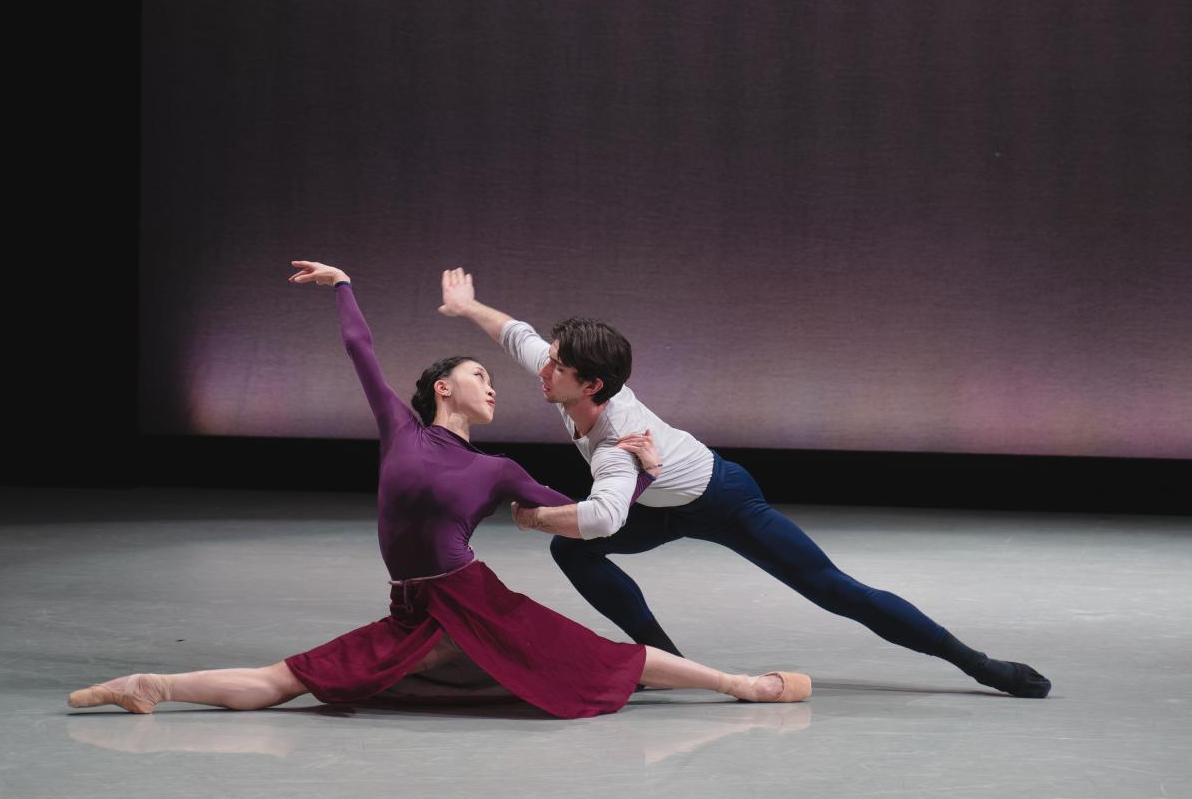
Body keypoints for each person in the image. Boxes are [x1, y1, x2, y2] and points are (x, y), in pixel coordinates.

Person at [67, 261, 810, 720]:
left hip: (476, 601)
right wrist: (344, 285)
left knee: (606, 659)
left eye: (493, 376)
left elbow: (591, 518)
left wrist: (638, 469)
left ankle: (746, 685)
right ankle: (151, 685)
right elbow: (361, 350)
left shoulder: (497, 471)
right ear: (439, 387)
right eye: (478, 375)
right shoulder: (400, 428)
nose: (496, 383)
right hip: (415, 610)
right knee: (291, 679)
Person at [437, 267, 1051, 699]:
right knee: (572, 552)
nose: (542, 369)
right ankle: (665, 662)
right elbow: (514, 332)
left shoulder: (620, 442)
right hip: (663, 506)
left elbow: (602, 518)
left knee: (836, 591)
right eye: (550, 359)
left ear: (591, 384)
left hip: (724, 499)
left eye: (557, 365)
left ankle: (978, 665)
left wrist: (533, 515)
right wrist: (468, 308)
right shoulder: (566, 378)